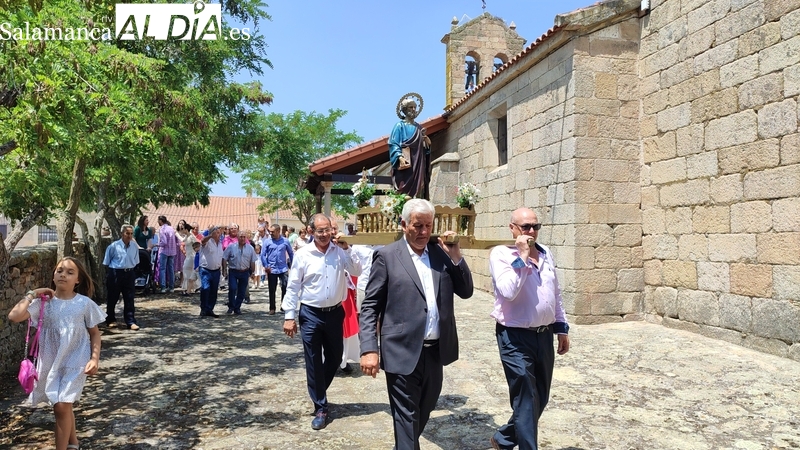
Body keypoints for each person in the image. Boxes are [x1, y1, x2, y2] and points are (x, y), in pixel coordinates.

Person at [359, 199, 473, 449]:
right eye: (417, 226)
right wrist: (369, 349)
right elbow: (369, 306)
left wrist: (456, 258)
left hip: (435, 351)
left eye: (427, 226)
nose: (423, 232)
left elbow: (466, 291)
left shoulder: (440, 255)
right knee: (406, 417)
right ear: (403, 224)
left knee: (424, 409)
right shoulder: (387, 256)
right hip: (400, 349)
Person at [488, 207, 570, 450]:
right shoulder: (501, 255)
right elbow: (508, 291)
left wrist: (561, 327)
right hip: (514, 337)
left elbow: (554, 293)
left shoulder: (546, 253)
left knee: (540, 398)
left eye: (536, 226)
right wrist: (522, 257)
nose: (532, 231)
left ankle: (503, 439)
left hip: (543, 335)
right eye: (526, 227)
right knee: (526, 398)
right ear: (513, 228)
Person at [7, 257, 106, 450]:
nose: (63, 274)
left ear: (78, 279)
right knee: (64, 405)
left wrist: (94, 358)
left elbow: (94, 334)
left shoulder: (84, 304)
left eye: (70, 272)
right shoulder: (44, 303)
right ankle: (73, 443)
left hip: (76, 360)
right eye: (59, 270)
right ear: (53, 275)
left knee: (60, 405)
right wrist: (33, 293)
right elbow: (14, 316)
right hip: (51, 361)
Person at [282, 214, 362, 430]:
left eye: (328, 229)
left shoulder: (340, 252)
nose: (325, 234)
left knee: (335, 357)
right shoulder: (303, 254)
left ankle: (317, 390)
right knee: (314, 359)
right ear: (311, 232)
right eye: (320, 230)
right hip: (310, 314)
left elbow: (357, 270)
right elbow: (293, 286)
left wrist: (347, 248)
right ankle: (321, 407)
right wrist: (289, 315)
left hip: (335, 313)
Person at [388, 95, 432, 199]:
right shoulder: (399, 126)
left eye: (414, 107)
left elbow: (425, 149)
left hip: (418, 164)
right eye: (410, 107)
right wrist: (399, 156)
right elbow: (393, 143)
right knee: (403, 190)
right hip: (405, 164)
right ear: (404, 110)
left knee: (420, 189)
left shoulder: (419, 127)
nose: (413, 110)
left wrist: (426, 142)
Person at [103, 224, 141, 330]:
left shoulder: (134, 246)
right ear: (122, 234)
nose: (129, 236)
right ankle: (110, 319)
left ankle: (130, 321)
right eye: (127, 233)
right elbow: (107, 262)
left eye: (131, 234)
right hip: (116, 273)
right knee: (112, 297)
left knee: (129, 298)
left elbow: (136, 261)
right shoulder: (113, 246)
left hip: (129, 273)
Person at [222, 231, 257, 315]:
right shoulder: (231, 247)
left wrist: (253, 272)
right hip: (233, 271)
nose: (242, 238)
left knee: (242, 291)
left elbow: (252, 261)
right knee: (232, 288)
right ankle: (231, 306)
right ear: (237, 237)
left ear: (246, 238)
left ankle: (237, 308)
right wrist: (224, 270)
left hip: (245, 271)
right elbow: (224, 258)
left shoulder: (250, 248)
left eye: (244, 237)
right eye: (241, 237)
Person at [261, 224, 294, 315]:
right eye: (270, 231)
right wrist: (266, 265)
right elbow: (263, 255)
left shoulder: (285, 241)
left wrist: (293, 265)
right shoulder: (267, 242)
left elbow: (291, 253)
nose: (270, 233)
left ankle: (283, 305)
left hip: (283, 268)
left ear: (278, 231)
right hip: (272, 269)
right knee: (272, 289)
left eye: (273, 232)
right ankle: (272, 308)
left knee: (285, 287)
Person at [199, 226, 224, 317]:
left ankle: (210, 309)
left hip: (216, 270)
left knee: (214, 291)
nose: (217, 234)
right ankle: (203, 308)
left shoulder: (220, 244)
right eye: (215, 232)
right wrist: (210, 236)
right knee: (205, 288)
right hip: (206, 269)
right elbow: (202, 241)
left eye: (218, 233)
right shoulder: (208, 241)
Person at [156, 215, 179, 293]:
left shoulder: (162, 229)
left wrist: (158, 244)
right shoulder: (171, 228)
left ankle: (163, 287)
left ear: (160, 221)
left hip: (164, 251)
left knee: (162, 269)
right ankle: (171, 287)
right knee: (171, 269)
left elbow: (164, 242)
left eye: (158, 221)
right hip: (172, 251)